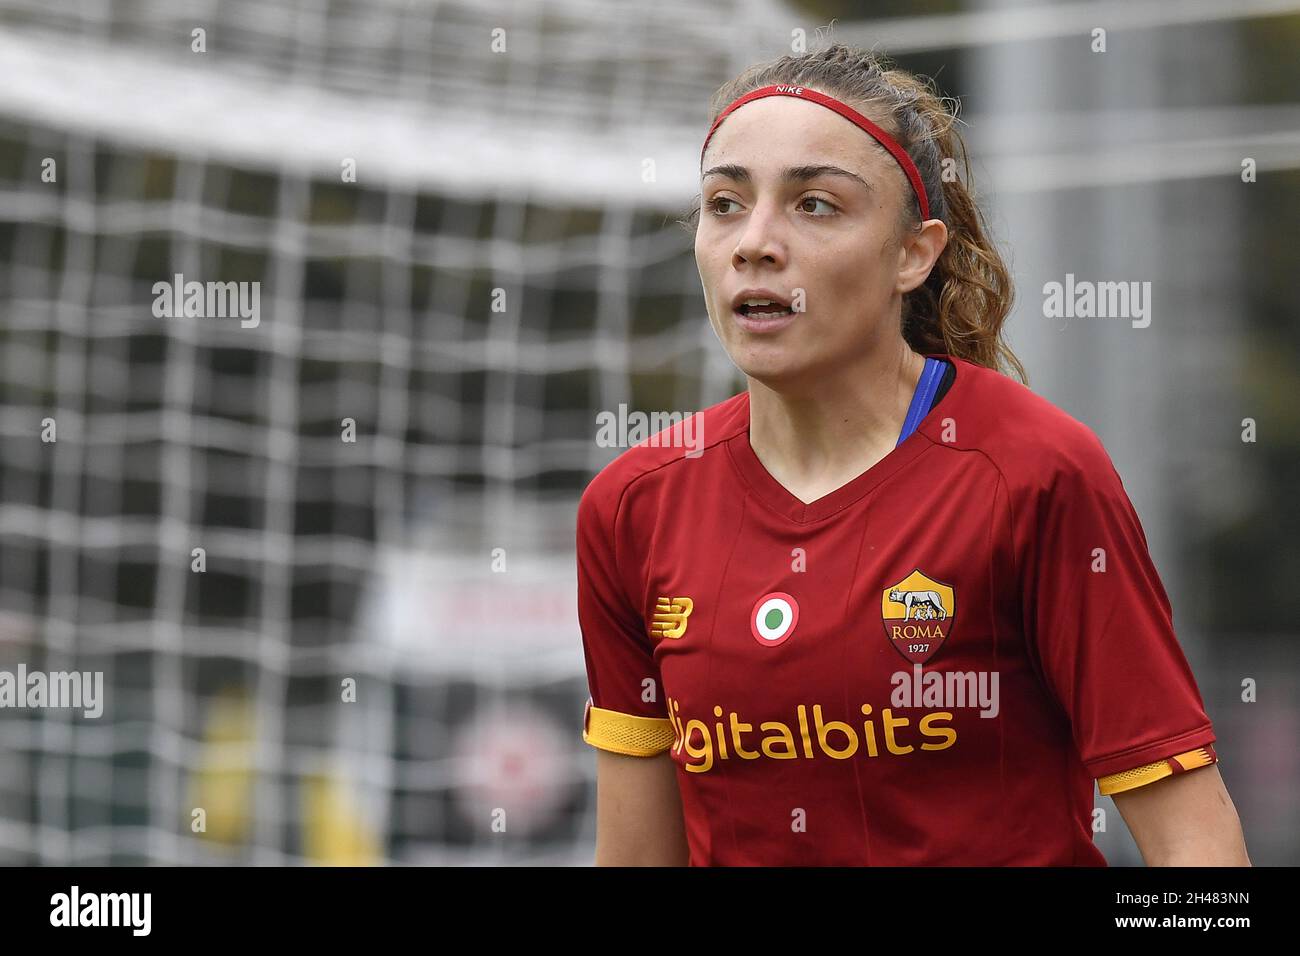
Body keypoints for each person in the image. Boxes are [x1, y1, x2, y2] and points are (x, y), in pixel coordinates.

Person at [576, 43, 1249, 866]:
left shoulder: (1035, 473)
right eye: (724, 204)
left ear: (913, 254)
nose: (754, 242)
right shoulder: (631, 506)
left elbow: (1197, 853)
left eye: (814, 204)